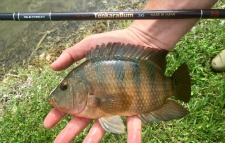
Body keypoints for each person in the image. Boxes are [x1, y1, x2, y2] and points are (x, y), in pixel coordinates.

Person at [44, 0, 218, 143]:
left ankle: (173, 87)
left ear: (84, 90)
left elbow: (111, 107)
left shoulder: (90, 90)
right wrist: (146, 33)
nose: (60, 91)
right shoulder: (86, 82)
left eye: (64, 86)